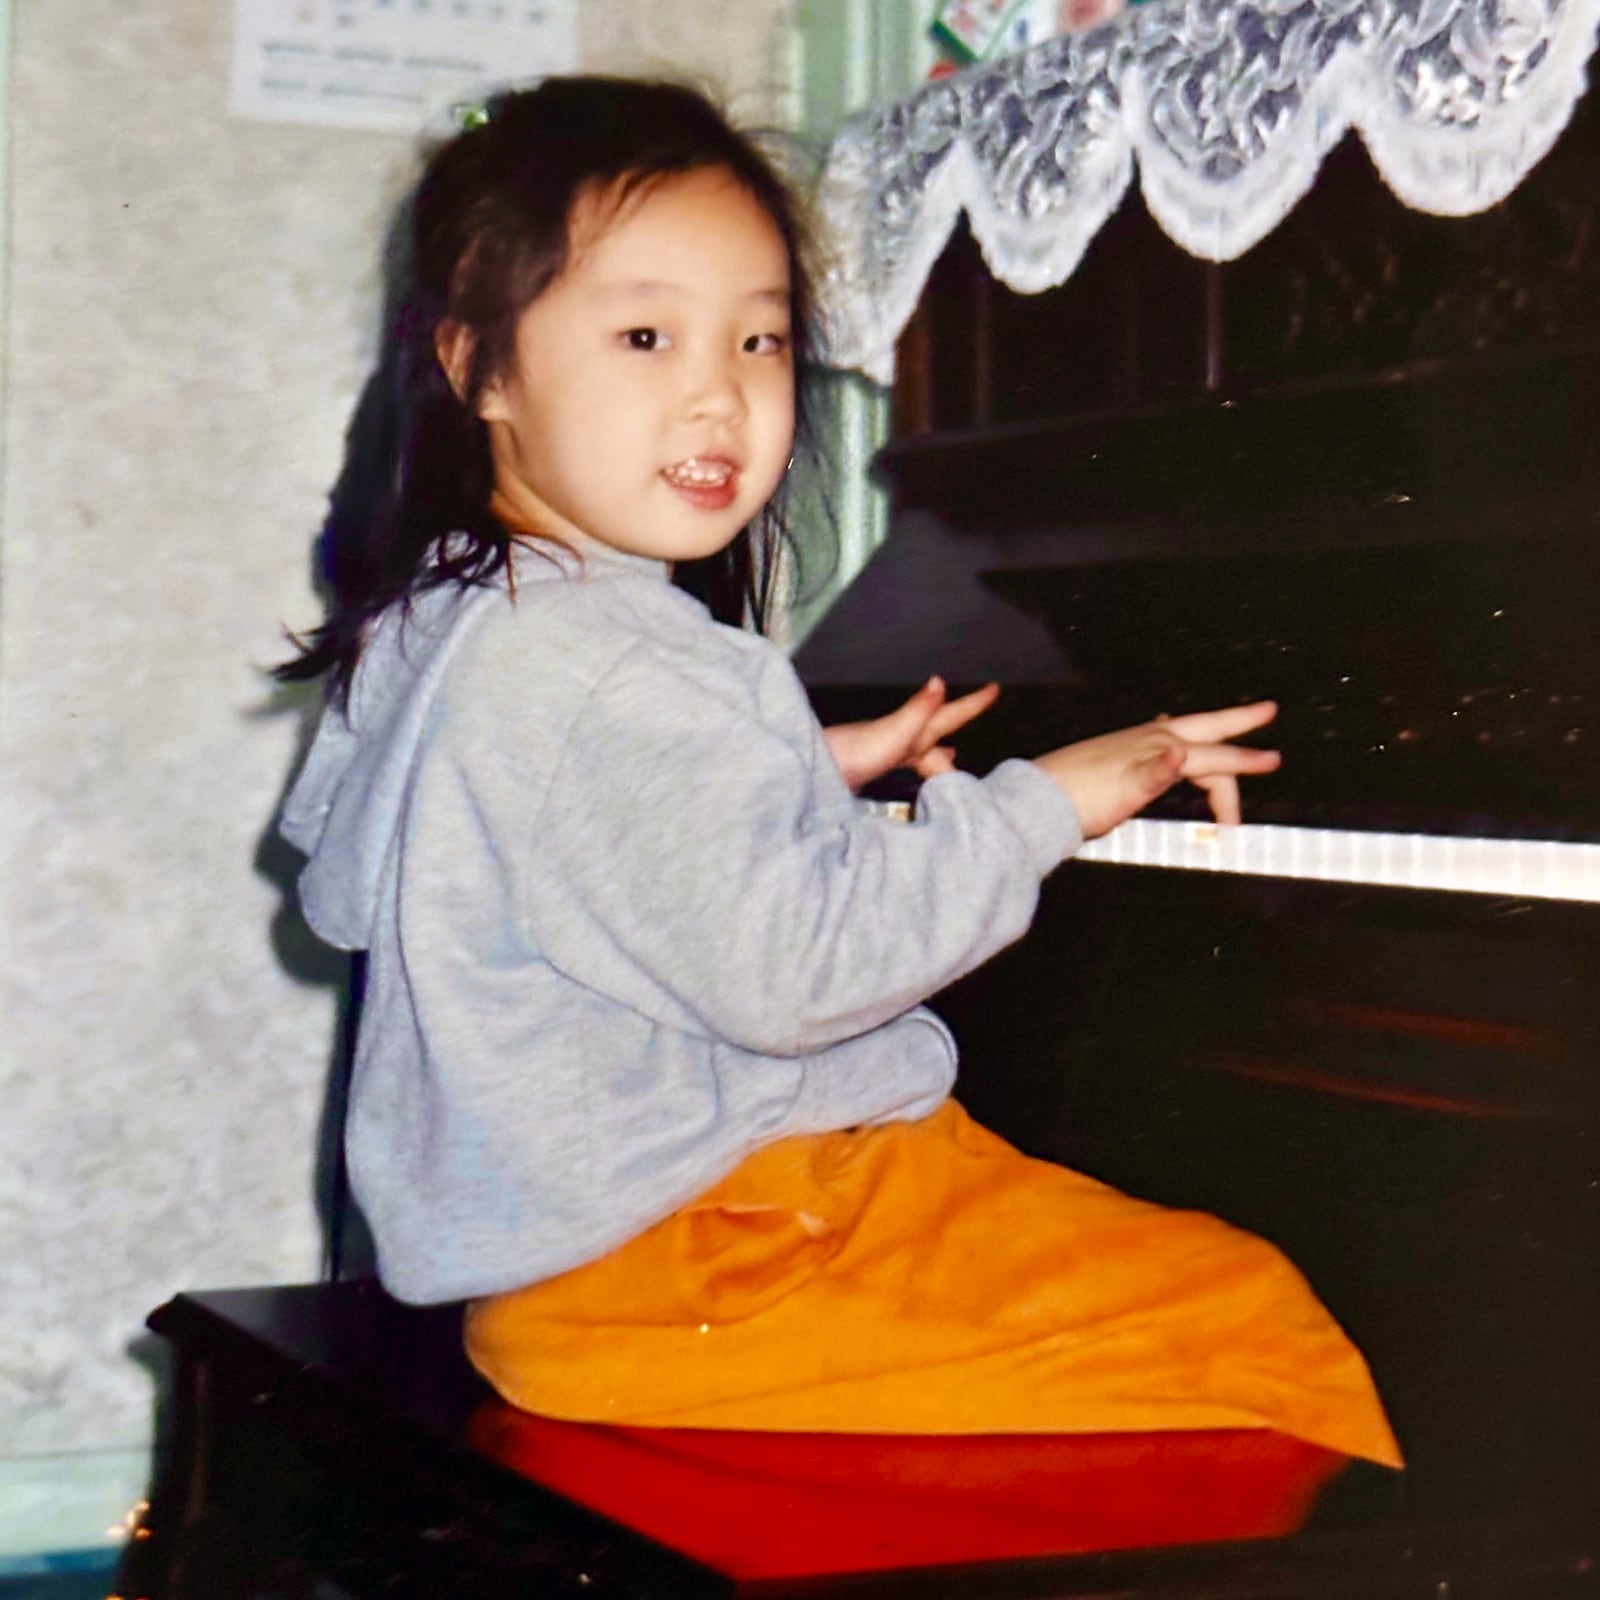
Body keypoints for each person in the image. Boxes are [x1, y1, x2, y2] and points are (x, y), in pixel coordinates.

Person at [277, 76, 1400, 1468]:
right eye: (645, 334)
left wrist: (786, 768)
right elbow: (799, 978)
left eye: (760, 340)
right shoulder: (615, 663)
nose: (719, 394)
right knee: (1258, 1325)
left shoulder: (456, 618)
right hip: (704, 1259)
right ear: (479, 367)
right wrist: (1050, 800)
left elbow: (432, 846)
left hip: (583, 1260)